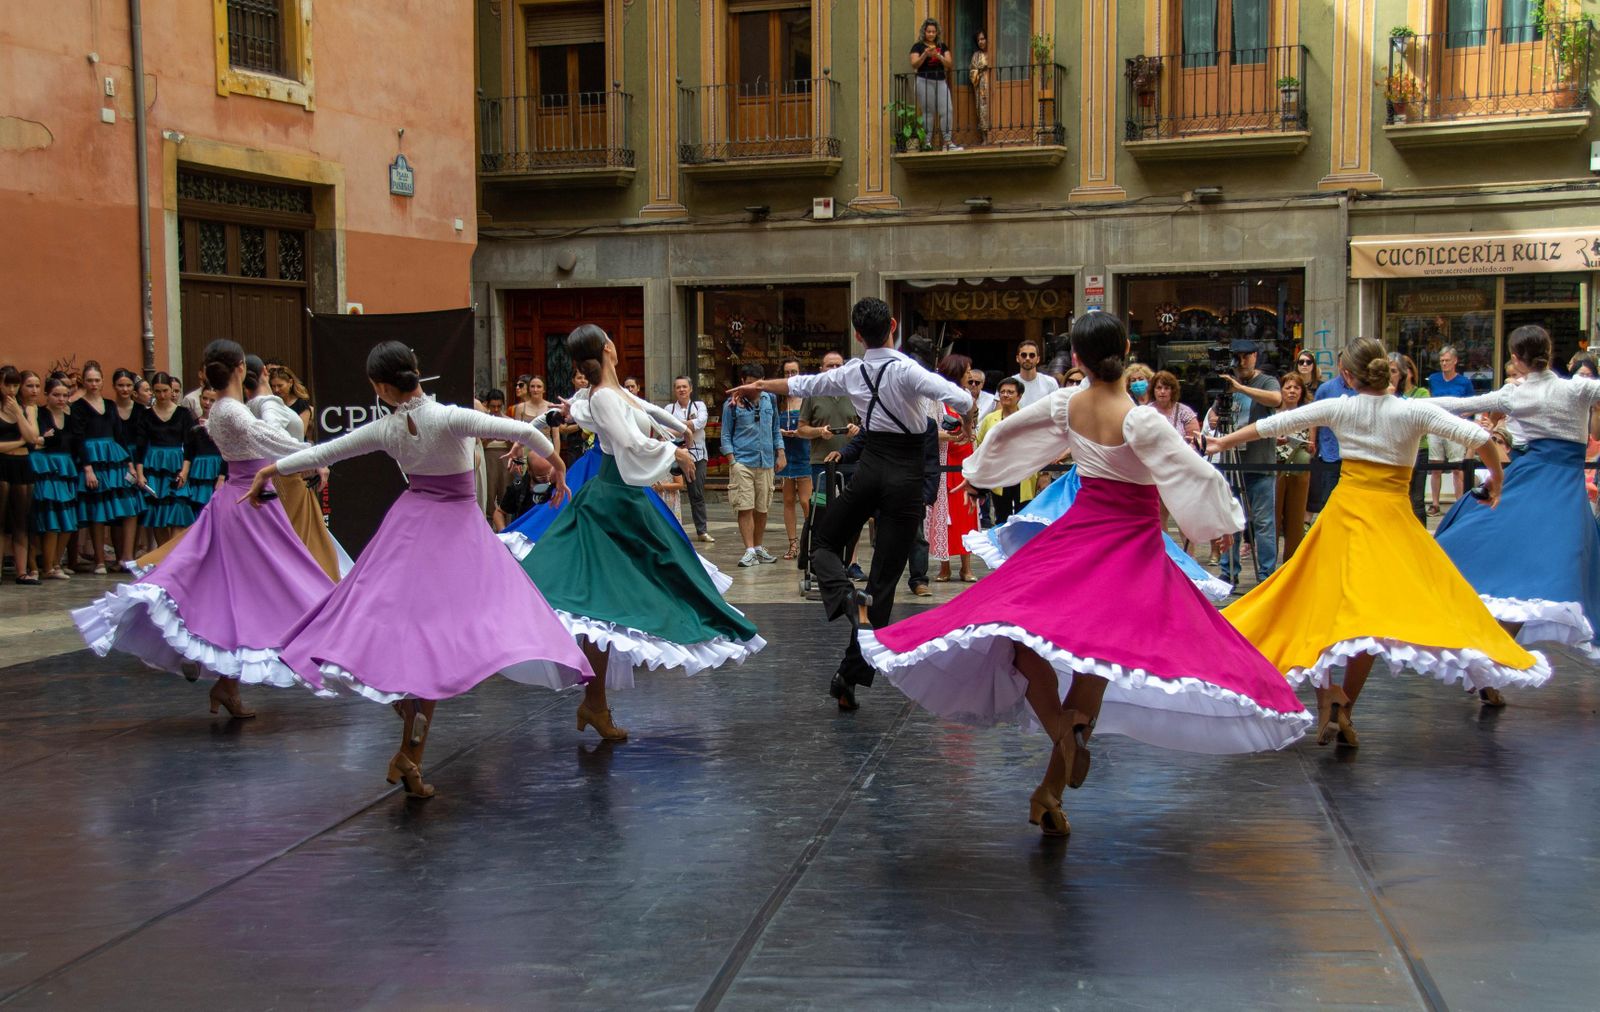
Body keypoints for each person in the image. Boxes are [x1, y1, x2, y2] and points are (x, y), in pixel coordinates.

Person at [861, 313, 1309, 837]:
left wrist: (979, 476)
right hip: (1131, 550)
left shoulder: (1067, 403)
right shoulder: (1140, 419)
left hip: (1078, 537)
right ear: (1125, 347)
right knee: (1095, 661)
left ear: (1076, 359)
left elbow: (1009, 433)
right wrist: (1219, 525)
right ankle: (1060, 751)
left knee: (1020, 635)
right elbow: (1191, 472)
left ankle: (1053, 771)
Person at [247, 341, 591, 798]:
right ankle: (411, 745)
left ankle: (409, 734)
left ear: (382, 388)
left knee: (396, 629)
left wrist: (268, 470)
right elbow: (529, 434)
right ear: (415, 372)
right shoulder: (450, 417)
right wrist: (559, 463)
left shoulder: (388, 429)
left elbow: (323, 454)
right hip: (456, 535)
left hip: (409, 531)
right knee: (453, 632)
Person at [1215, 338, 1548, 749]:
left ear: (1348, 376)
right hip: (1391, 523)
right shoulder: (1412, 410)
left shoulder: (1341, 406)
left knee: (1318, 606)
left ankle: (1328, 698)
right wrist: (1497, 479)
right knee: (1368, 621)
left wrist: (1219, 443)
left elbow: (1275, 424)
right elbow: (1478, 440)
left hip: (1342, 519)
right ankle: (1344, 705)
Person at [727, 297, 971, 711]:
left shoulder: (852, 371)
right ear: (892, 325)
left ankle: (846, 661)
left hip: (871, 468)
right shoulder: (907, 369)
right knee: (882, 585)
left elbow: (802, 384)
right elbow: (957, 399)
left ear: (857, 335)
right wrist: (964, 415)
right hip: (905, 477)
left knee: (821, 541)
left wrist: (761, 385)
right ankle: (854, 624)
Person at [72, 339, 338, 720]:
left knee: (245, 593)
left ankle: (227, 686)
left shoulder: (228, 409)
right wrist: (319, 455)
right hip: (247, 507)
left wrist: (287, 431)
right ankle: (229, 670)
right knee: (266, 588)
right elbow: (275, 441)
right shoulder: (231, 412)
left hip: (251, 502)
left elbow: (272, 439)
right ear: (240, 370)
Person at [522, 325, 764, 742]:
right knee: (610, 602)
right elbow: (631, 441)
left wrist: (683, 430)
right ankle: (594, 703)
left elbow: (647, 410)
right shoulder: (600, 397)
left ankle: (594, 703)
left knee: (610, 605)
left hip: (624, 502)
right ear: (610, 349)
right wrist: (676, 452)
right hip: (611, 505)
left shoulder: (610, 394)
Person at [1431, 324, 1600, 672]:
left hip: (1530, 478)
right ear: (1549, 350)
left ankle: (1490, 653)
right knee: (1549, 567)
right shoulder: (1578, 389)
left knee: (1506, 553)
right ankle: (1493, 654)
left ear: (1514, 358)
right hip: (1562, 487)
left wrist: (1397, 404)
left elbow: (1459, 404)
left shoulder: (1515, 395)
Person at [1207, 339, 1281, 590]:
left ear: (1255, 356)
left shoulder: (1266, 381)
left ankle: (1266, 575)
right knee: (1230, 519)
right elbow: (1215, 412)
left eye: (1246, 356)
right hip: (1231, 462)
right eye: (1237, 357)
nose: (1241, 362)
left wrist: (1240, 387)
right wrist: (1215, 416)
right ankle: (1228, 572)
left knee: (1263, 522)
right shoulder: (1227, 383)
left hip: (1259, 463)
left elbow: (1275, 399)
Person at [70, 361, 141, 574]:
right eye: (90, 380)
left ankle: (126, 556)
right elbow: (78, 438)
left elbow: (119, 435)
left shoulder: (110, 405)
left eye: (97, 380)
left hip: (114, 457)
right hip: (93, 458)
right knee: (97, 507)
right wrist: (88, 467)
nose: (93, 384)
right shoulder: (79, 407)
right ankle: (100, 560)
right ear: (84, 381)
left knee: (129, 503)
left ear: (102, 382)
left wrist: (129, 464)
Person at [721, 362, 785, 568]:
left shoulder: (770, 399)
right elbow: (725, 436)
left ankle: (758, 547)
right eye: (748, 384)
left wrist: (780, 452)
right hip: (743, 462)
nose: (753, 388)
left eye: (757, 384)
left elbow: (776, 428)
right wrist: (733, 462)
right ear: (742, 382)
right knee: (745, 506)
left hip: (765, 461)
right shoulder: (731, 405)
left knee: (762, 507)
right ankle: (749, 549)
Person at [133, 373, 196, 549]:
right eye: (158, 391)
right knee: (157, 510)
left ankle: (173, 552)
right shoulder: (146, 415)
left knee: (178, 507)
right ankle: (162, 553)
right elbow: (140, 445)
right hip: (154, 463)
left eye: (165, 391)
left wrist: (184, 471)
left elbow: (190, 445)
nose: (162, 395)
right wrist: (140, 473)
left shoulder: (183, 414)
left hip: (176, 462)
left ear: (172, 390)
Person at [929, 354, 977, 583]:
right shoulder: (937, 399)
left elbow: (971, 426)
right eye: (967, 371)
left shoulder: (967, 397)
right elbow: (927, 429)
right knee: (945, 515)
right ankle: (945, 566)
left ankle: (966, 566)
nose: (971, 375)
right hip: (945, 460)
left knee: (967, 513)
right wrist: (950, 435)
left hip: (965, 460)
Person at [1, 367, 42, 584]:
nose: (11, 389)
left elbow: (33, 437)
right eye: (7, 384)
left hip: (22, 465)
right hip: (2, 465)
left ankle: (21, 571)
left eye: (15, 385)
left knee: (21, 521)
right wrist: (20, 442)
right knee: (0, 520)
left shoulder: (28, 409)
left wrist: (18, 413)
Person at [1426, 345, 1476, 515]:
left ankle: (1459, 504)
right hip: (1436, 425)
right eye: (1441, 361)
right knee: (1435, 466)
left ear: (1455, 361)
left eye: (1447, 360)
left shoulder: (1464, 382)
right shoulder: (1433, 379)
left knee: (1457, 467)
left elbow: (1472, 404)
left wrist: (1463, 415)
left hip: (1454, 426)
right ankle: (1434, 503)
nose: (1444, 363)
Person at [979, 378, 1036, 521]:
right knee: (1001, 517)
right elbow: (980, 444)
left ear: (1019, 396)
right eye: (1002, 392)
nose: (1005, 395)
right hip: (999, 473)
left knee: (1023, 517)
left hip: (1023, 474)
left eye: (1010, 392)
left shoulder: (1029, 418)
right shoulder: (989, 419)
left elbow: (1037, 446)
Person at [666, 376, 714, 543]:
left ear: (691, 389)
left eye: (684, 386)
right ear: (675, 390)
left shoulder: (699, 405)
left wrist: (677, 425)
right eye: (678, 387)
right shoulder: (669, 408)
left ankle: (702, 531)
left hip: (697, 455)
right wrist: (687, 426)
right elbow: (665, 430)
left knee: (697, 493)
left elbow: (701, 422)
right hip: (675, 455)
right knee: (668, 491)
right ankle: (670, 529)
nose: (681, 390)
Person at [1307, 362, 1358, 515]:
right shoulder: (1326, 389)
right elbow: (1313, 417)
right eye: (1343, 364)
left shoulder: (1363, 389)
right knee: (1328, 499)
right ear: (1339, 365)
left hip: (1354, 456)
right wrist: (1312, 440)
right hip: (1331, 453)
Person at [1272, 372, 1312, 561]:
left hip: (1300, 467)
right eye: (1288, 387)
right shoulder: (1272, 413)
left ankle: (1292, 562)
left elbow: (1313, 444)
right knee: (1273, 515)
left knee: (1296, 519)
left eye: (1296, 387)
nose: (1292, 391)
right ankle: (1270, 561)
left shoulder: (1308, 414)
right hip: (1276, 466)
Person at [776, 358, 813, 561]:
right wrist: (781, 433)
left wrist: (801, 432)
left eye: (794, 372)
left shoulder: (807, 398)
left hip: (805, 452)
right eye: (787, 373)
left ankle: (810, 541)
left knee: (806, 501)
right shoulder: (780, 400)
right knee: (788, 500)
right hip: (786, 453)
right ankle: (793, 544)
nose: (790, 376)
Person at [1389, 353, 1431, 525]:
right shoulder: (1385, 395)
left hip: (1418, 449)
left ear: (1405, 374)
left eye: (1393, 371)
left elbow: (1421, 419)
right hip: (1394, 450)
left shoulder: (1421, 393)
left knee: (1416, 500)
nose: (1390, 375)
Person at [909, 18, 959, 151]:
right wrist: (925, 54)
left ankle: (947, 142)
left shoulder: (942, 46)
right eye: (928, 31)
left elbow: (949, 64)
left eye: (933, 32)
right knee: (928, 112)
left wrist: (938, 56)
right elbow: (914, 64)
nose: (931, 34)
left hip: (941, 81)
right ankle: (927, 143)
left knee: (947, 110)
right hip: (924, 81)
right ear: (924, 32)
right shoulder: (918, 46)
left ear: (937, 33)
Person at [1149, 371, 1198, 440]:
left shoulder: (1185, 412)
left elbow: (1195, 442)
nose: (1162, 391)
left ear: (1173, 391)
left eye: (1166, 388)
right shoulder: (1146, 411)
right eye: (1159, 388)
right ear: (1153, 390)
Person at [1010, 339, 1060, 407]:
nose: (1027, 358)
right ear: (1017, 358)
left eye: (1032, 355)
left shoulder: (1050, 383)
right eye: (1024, 355)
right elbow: (998, 413)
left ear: (1038, 359)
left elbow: (1056, 409)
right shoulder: (1008, 384)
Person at [268, 365, 313, 434]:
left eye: (280, 385)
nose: (276, 390)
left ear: (290, 383)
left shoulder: (301, 404)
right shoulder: (271, 403)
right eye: (273, 386)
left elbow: (301, 433)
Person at [968, 30, 990, 144]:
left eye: (983, 39)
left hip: (993, 86)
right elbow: (972, 72)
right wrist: (981, 69)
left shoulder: (994, 52)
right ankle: (985, 138)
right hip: (981, 86)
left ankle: (996, 136)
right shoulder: (976, 56)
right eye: (979, 40)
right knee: (982, 110)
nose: (981, 42)